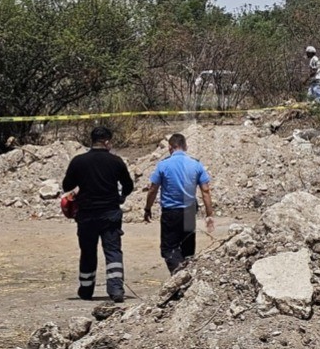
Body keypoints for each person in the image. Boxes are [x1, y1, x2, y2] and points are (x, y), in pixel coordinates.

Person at [61, 126, 134, 303]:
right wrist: (121, 197)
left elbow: (66, 185)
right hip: (110, 214)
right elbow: (128, 185)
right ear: (107, 142)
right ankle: (116, 290)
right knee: (113, 252)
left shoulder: (78, 161)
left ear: (92, 141)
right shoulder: (116, 161)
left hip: (86, 215)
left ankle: (86, 290)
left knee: (87, 252)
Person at [142, 134, 215, 273]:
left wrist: (147, 208)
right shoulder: (196, 164)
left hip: (171, 212)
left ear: (170, 147)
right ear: (185, 146)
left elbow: (153, 190)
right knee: (188, 248)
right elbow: (205, 191)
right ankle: (186, 279)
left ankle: (179, 278)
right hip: (189, 212)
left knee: (169, 248)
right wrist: (209, 214)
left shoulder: (163, 165)